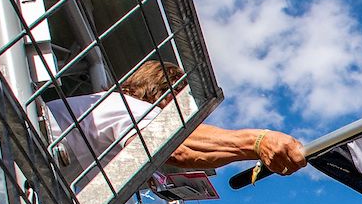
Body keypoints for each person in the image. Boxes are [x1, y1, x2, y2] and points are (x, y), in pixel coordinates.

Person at [46, 60, 307, 183]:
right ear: (169, 94)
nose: (187, 120)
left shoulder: (110, 108)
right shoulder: (124, 107)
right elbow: (176, 147)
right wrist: (257, 141)